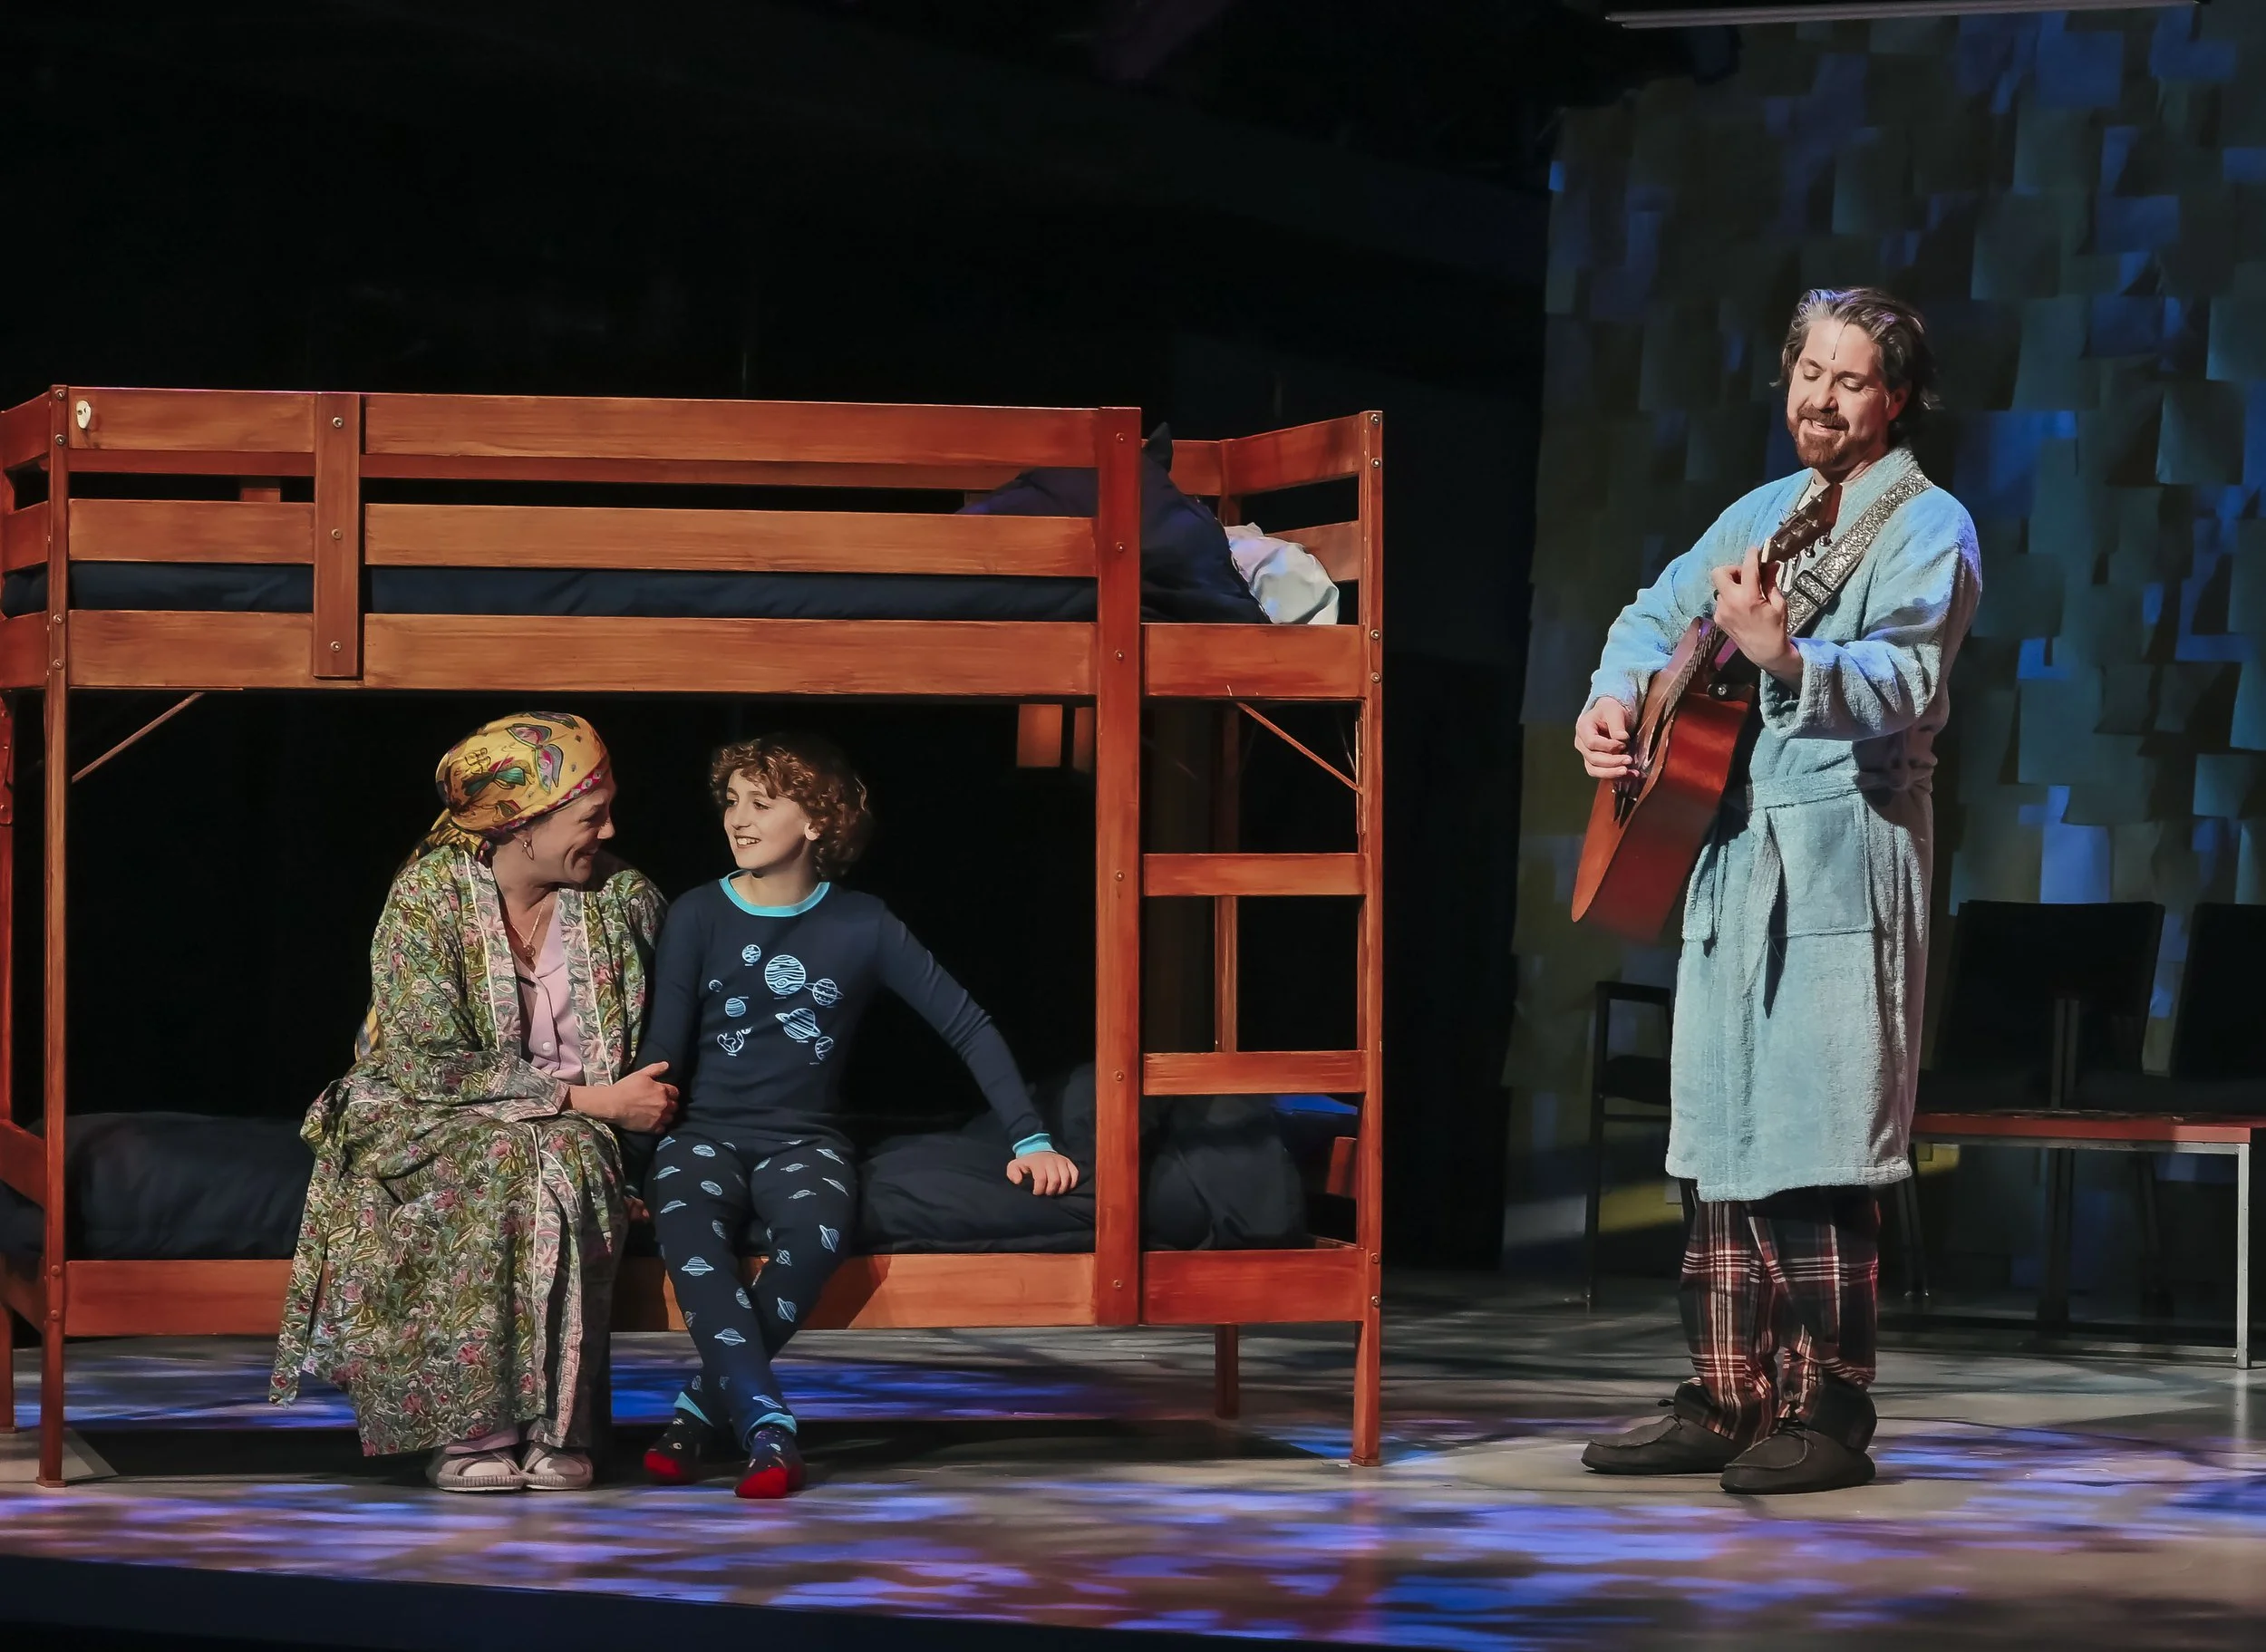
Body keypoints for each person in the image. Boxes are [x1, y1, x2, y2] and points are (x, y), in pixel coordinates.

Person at [1574, 288, 1981, 1495]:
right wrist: (1613, 696)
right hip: (1731, 847)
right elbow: (1653, 615)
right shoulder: (1761, 513)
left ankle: (1828, 1407)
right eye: (1809, 374)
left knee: (1813, 1131)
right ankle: (1726, 1392)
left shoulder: (1927, 523)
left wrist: (1786, 654)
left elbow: (1906, 677)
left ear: (1895, 397)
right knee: (1717, 1133)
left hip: (1843, 840)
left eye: (1851, 381)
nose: (1821, 399)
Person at [634, 733, 1080, 1498]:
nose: (738, 818)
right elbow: (660, 1059)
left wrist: (1030, 1136)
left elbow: (968, 1025)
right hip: (703, 1136)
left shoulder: (863, 922)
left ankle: (697, 1412)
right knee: (692, 1242)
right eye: (732, 801)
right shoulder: (698, 912)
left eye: (761, 803)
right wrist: (629, 1162)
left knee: (815, 1237)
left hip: (804, 1142)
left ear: (817, 821)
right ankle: (769, 1429)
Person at [271, 712, 678, 1493]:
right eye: (591, 816)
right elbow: (427, 1061)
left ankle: (558, 1428)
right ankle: (471, 1433)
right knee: (500, 1155)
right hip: (426, 1111)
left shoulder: (624, 899)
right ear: (521, 824)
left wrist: (624, 1138)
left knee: (562, 1156)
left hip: (574, 1126)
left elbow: (667, 1037)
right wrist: (587, 1099)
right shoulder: (427, 897)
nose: (610, 830)